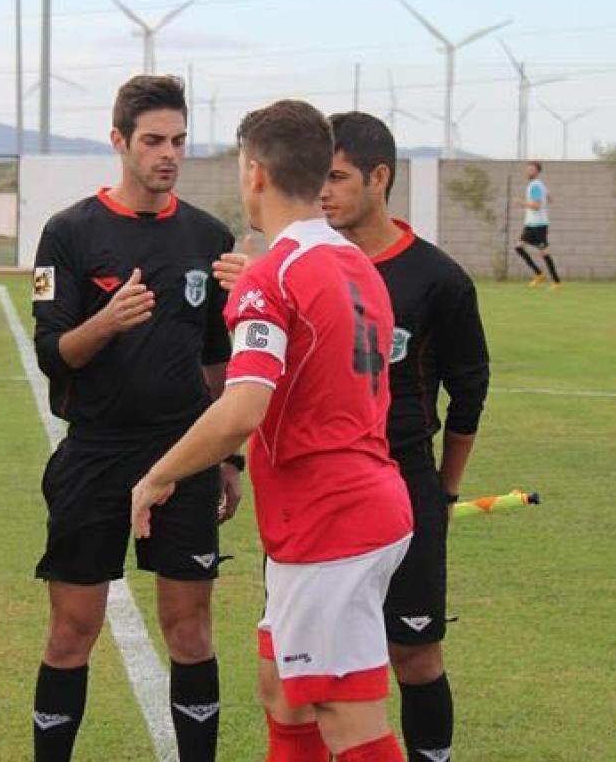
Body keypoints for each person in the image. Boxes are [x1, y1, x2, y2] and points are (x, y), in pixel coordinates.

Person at [131, 99, 414, 762]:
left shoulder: (274, 274)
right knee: (283, 691)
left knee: (346, 714)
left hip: (330, 521)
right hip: (356, 506)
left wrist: (157, 475)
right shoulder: (357, 264)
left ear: (254, 173)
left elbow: (242, 409)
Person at [29, 74, 239, 762]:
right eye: (153, 140)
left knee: (190, 629)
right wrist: (107, 321)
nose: (168, 154)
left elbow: (217, 356)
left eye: (178, 140)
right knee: (72, 631)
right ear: (119, 141)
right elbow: (53, 354)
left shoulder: (208, 235)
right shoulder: (69, 232)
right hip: (95, 453)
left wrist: (224, 454)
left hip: (183, 454)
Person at [320, 112, 489, 760]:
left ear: (379, 177)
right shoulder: (310, 265)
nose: (324, 192)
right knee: (313, 660)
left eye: (337, 177)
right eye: (318, 178)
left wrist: (443, 491)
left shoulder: (438, 279)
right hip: (323, 489)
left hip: (404, 483)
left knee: (415, 656)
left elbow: (469, 393)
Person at [513, 161, 561, 288]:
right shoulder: (540, 185)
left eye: (532, 170)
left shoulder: (535, 186)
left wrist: (521, 203)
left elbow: (537, 206)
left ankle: (556, 282)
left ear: (537, 172)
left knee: (544, 252)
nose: (529, 171)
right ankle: (539, 274)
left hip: (538, 225)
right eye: (528, 169)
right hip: (531, 224)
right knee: (519, 247)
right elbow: (550, 199)